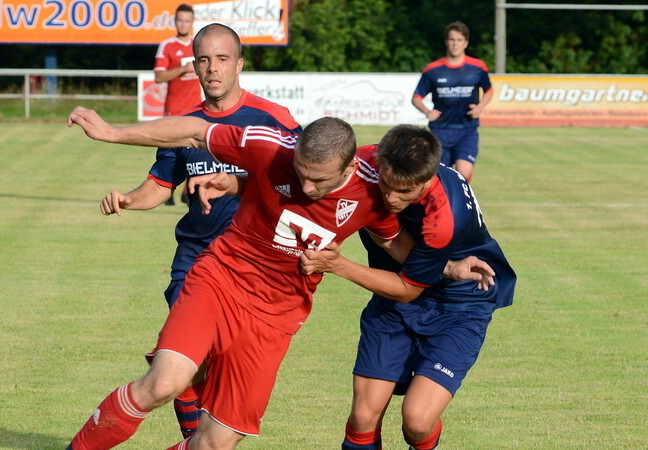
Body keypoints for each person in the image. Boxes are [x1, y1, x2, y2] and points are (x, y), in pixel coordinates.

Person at [64, 111, 493, 449]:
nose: (306, 185)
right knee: (164, 382)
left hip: (277, 317)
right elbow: (196, 130)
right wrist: (112, 132)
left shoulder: (374, 193)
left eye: (318, 178)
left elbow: (399, 250)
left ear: (348, 166)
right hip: (221, 280)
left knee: (215, 443)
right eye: (301, 171)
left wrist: (449, 268)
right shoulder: (271, 147)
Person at [99, 23, 301, 439]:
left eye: (222, 59)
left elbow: (300, 183)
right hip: (194, 260)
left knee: (221, 370)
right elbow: (158, 186)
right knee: (184, 363)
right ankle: (193, 441)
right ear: (195, 66)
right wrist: (128, 200)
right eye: (204, 60)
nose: (213, 69)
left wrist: (240, 185)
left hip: (252, 268)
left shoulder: (273, 120)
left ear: (239, 64)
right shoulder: (181, 126)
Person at [299, 125, 516, 450]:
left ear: (427, 182)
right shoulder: (362, 161)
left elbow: (408, 288)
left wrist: (338, 265)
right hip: (392, 303)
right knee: (363, 416)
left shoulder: (445, 217)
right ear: (380, 161)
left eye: (405, 192)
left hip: (457, 305)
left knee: (416, 421)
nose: (391, 197)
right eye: (386, 185)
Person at [412, 21, 493, 182]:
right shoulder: (433, 70)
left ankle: (461, 200)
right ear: (446, 41)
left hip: (467, 129)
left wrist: (480, 107)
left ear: (466, 43)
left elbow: (489, 90)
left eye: (459, 40)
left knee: (463, 173)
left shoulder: (477, 67)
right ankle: (446, 205)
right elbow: (416, 98)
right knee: (441, 178)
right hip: (440, 131)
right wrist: (428, 112)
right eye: (452, 39)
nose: (455, 44)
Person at [154, 3, 202, 205]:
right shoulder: (167, 45)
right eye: (180, 20)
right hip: (174, 109)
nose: (183, 24)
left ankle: (188, 191)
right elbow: (158, 76)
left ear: (192, 22)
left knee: (197, 152)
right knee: (170, 152)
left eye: (187, 20)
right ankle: (165, 191)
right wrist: (182, 70)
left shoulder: (199, 45)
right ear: (175, 21)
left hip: (196, 108)